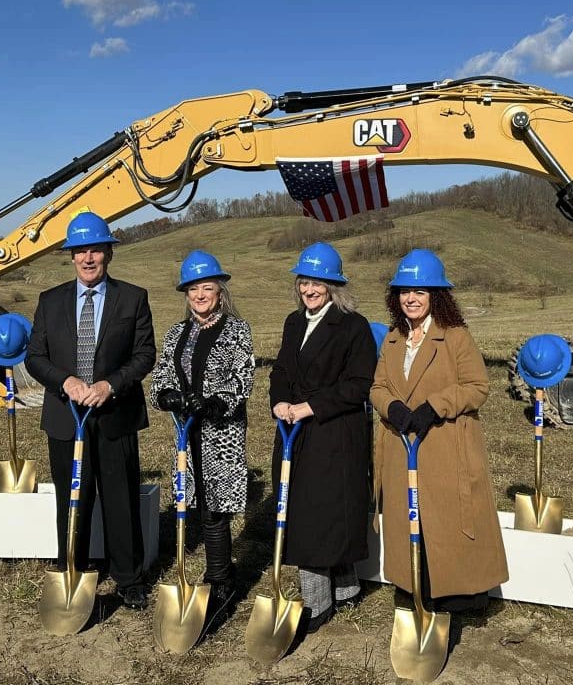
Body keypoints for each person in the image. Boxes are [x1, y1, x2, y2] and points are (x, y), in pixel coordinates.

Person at [25, 211, 156, 611]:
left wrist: (110, 384)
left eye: (95, 249)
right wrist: (65, 382)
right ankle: (72, 569)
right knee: (72, 497)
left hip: (114, 416)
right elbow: (35, 357)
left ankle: (129, 578)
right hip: (66, 417)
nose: (88, 258)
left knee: (120, 498)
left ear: (108, 253)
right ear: (70, 256)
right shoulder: (50, 301)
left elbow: (144, 354)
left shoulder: (133, 298)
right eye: (80, 251)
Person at [370, 249, 507, 614]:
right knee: (407, 519)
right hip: (402, 446)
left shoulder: (456, 336)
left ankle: (457, 597)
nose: (410, 299)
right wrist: (392, 407)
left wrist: (435, 407)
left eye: (420, 292)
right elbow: (377, 387)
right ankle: (413, 586)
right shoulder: (393, 337)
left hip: (444, 447)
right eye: (404, 292)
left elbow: (478, 386)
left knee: (445, 523)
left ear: (436, 297)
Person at [269, 242, 375, 633]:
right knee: (306, 511)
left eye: (318, 283)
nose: (309, 290)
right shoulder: (293, 322)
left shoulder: (353, 326)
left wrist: (308, 407)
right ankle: (344, 590)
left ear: (333, 286)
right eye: (304, 282)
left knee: (324, 516)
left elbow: (358, 385)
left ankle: (319, 603)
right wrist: (279, 401)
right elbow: (280, 369)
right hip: (295, 430)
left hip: (333, 432)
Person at [149, 250, 255, 628]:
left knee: (215, 509)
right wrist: (167, 395)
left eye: (206, 287)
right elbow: (162, 373)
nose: (199, 295)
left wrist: (212, 401)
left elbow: (243, 380)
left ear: (219, 291)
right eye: (193, 288)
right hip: (186, 433)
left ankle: (221, 582)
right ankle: (205, 576)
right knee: (192, 505)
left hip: (220, 432)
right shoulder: (178, 331)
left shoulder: (237, 330)